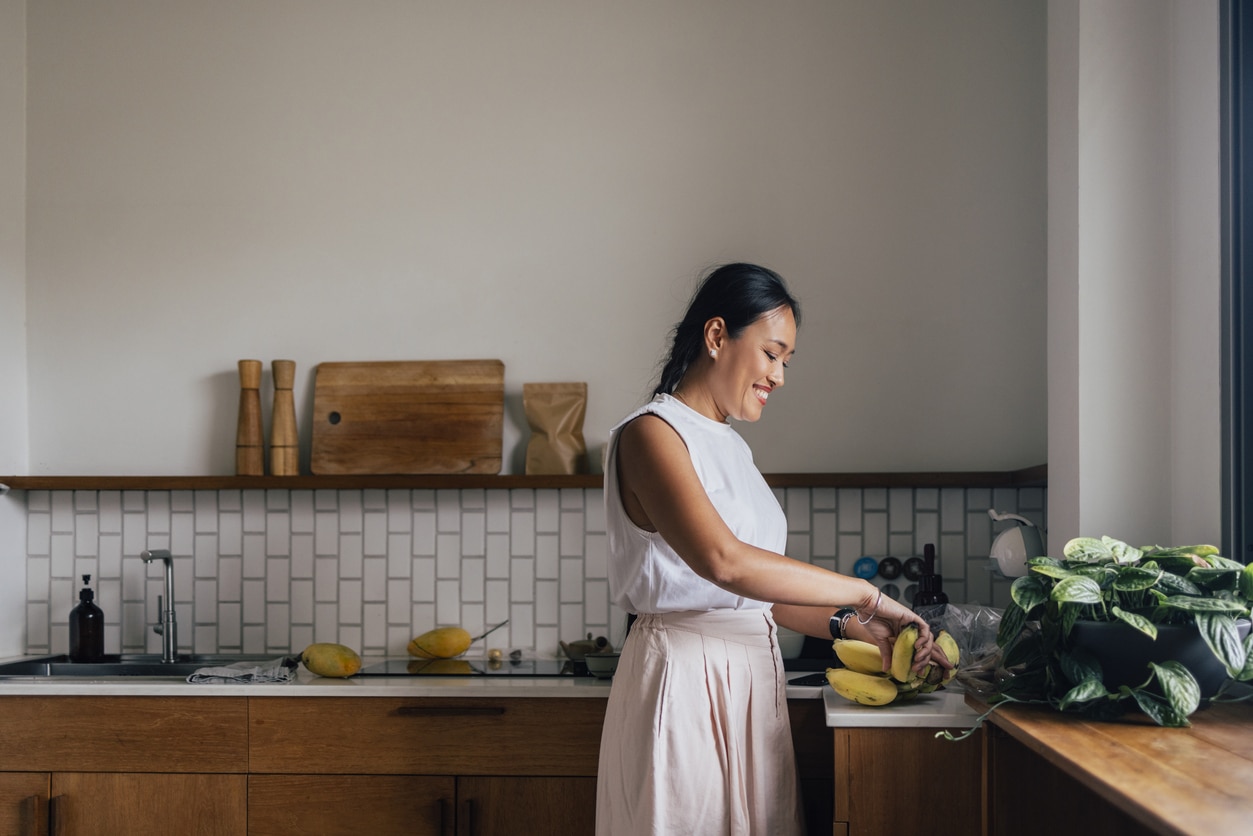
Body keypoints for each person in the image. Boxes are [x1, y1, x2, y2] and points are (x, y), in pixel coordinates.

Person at [594, 262, 945, 836]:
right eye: (772, 353)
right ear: (715, 337)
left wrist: (853, 627)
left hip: (753, 680)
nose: (780, 376)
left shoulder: (732, 449)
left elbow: (760, 598)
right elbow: (725, 563)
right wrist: (866, 595)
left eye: (786, 361)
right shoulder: (652, 434)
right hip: (684, 680)